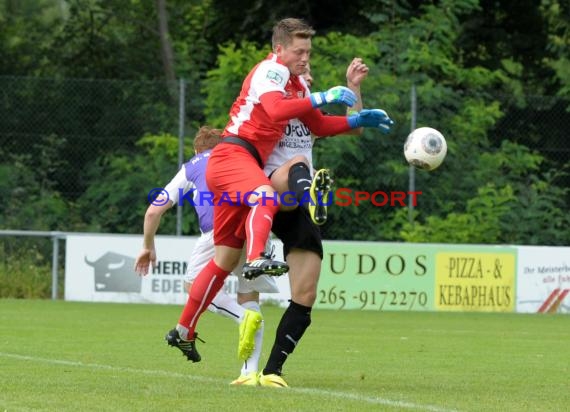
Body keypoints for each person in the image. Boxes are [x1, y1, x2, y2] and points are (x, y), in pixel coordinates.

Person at [164, 17, 394, 369]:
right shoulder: (269, 72)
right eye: (299, 51)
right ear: (279, 49)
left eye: (308, 52)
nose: (305, 58)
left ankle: (184, 328)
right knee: (265, 196)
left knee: (224, 260)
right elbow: (273, 108)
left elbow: (317, 123)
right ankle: (258, 257)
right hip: (235, 155)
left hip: (245, 164)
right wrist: (323, 95)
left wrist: (355, 120)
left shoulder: (297, 84)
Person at [256, 58, 376, 388]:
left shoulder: (310, 114)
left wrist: (353, 88)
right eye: (302, 73)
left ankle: (272, 371)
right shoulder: (272, 100)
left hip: (298, 199)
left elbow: (355, 126)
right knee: (296, 163)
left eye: (309, 76)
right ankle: (308, 195)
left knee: (306, 294)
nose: (307, 77)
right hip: (269, 187)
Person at [133, 126, 278, 385]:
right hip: (255, 229)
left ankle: (241, 317)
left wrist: (147, 245)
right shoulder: (242, 156)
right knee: (249, 297)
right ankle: (249, 373)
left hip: (218, 231)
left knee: (194, 285)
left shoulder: (193, 165)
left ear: (197, 149)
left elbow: (154, 211)